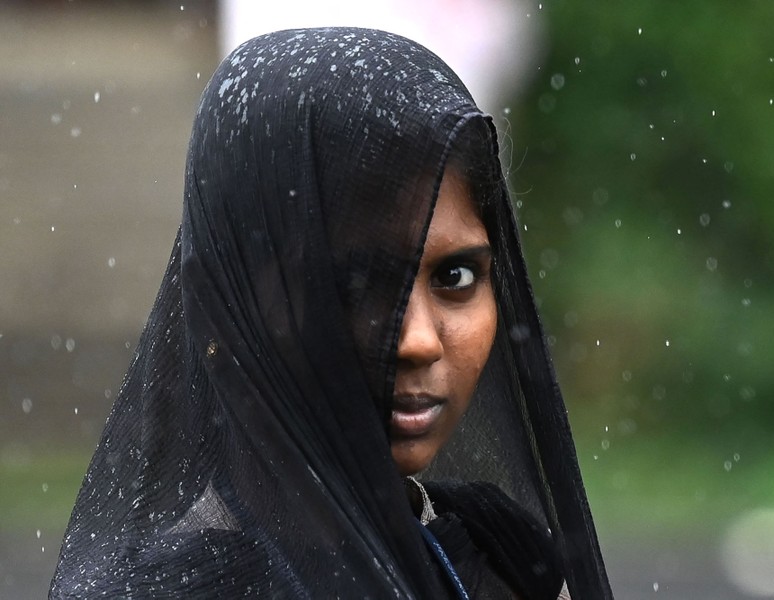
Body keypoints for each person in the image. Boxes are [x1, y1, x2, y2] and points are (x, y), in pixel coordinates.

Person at [49, 28, 613, 598]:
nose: (417, 341)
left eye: (455, 278)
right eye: (355, 285)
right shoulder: (172, 590)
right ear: (228, 306)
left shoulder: (503, 560)